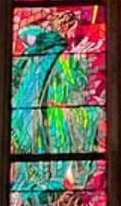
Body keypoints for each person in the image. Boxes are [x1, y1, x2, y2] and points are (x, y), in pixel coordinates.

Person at [11, 11, 100, 155]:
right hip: (47, 111)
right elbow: (74, 83)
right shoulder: (58, 51)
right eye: (73, 30)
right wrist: (78, 61)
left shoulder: (42, 45)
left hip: (38, 107)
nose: (73, 35)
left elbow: (24, 33)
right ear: (64, 27)